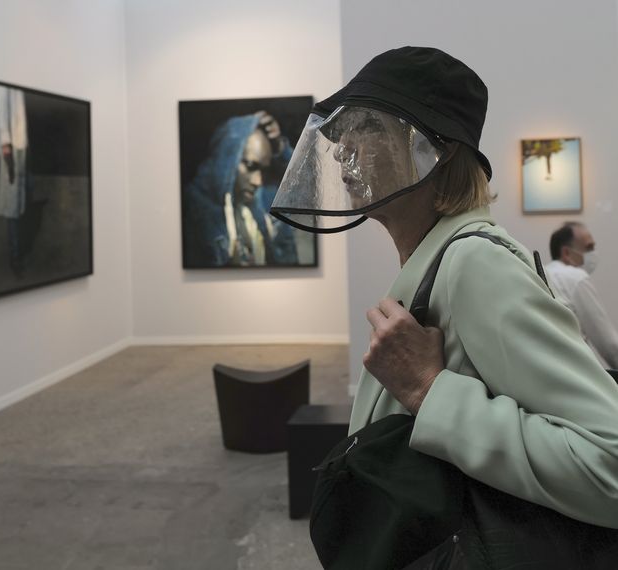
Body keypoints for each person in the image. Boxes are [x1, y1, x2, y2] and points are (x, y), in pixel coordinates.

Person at [271, 45, 618, 531]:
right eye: (341, 132)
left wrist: (428, 391)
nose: (344, 148)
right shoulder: (435, 260)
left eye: (369, 127)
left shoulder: (476, 264)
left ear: (439, 151)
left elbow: (611, 463)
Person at [183, 111, 298, 267]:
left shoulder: (263, 201)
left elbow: (307, 186)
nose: (258, 181)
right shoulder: (195, 207)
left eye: (263, 170)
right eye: (250, 166)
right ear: (228, 157)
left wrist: (281, 148)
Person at [545, 222, 618, 368]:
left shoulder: (542, 273)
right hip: (575, 372)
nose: (593, 254)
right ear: (566, 253)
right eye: (588, 248)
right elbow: (608, 345)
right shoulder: (576, 278)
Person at [0, 84, 29, 275]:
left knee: (18, 204)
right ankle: (14, 258)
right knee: (11, 205)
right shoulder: (1, 83)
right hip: (11, 146)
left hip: (21, 143)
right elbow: (0, 105)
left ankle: (17, 255)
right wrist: (5, 143)